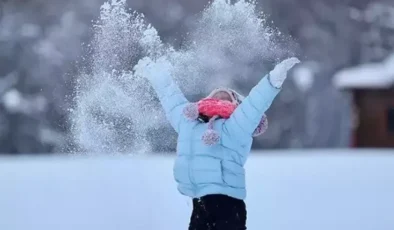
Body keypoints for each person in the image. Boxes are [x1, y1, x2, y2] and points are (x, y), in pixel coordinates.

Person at [134, 56, 300, 230]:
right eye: (216, 95)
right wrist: (157, 74)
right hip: (199, 203)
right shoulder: (188, 123)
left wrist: (273, 80)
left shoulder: (236, 126)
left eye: (228, 96)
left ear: (237, 105)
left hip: (227, 202)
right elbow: (171, 99)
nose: (222, 94)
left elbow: (255, 104)